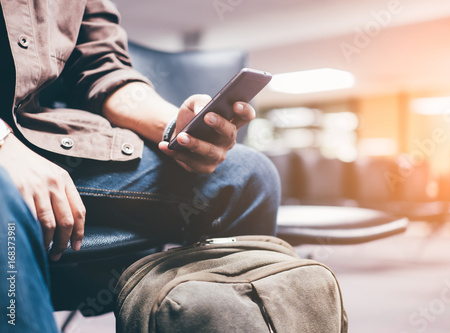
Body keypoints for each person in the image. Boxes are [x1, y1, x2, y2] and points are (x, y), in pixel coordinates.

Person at [0, 0, 280, 331]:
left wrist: (175, 127)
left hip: (42, 138)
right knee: (7, 200)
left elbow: (105, 70)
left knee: (246, 175)